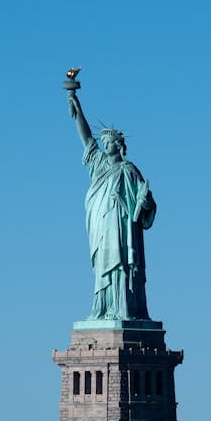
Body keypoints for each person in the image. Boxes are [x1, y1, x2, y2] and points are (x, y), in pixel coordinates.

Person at [66, 87, 156, 321]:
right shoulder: (98, 164)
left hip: (122, 226)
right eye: (104, 141)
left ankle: (124, 308)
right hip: (101, 227)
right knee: (104, 266)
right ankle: (104, 309)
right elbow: (86, 140)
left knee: (122, 265)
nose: (105, 144)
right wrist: (78, 109)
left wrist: (145, 203)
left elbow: (146, 206)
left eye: (109, 142)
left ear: (119, 145)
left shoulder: (129, 171)